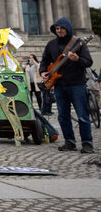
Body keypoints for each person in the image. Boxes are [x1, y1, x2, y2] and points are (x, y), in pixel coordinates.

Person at [40, 17, 94, 153]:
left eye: (62, 28)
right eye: (57, 29)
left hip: (77, 84)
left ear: (68, 29)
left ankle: (87, 143)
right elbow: (45, 61)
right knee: (63, 116)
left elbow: (88, 62)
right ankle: (69, 142)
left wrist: (77, 59)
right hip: (59, 84)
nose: (59, 31)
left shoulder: (79, 43)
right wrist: (43, 72)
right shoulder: (51, 44)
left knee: (82, 115)